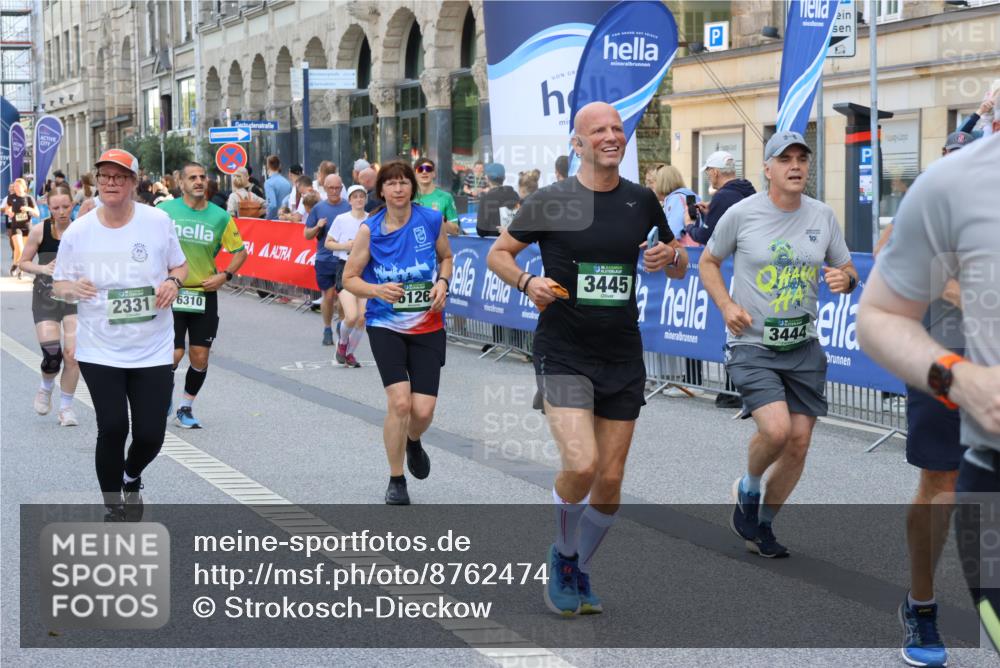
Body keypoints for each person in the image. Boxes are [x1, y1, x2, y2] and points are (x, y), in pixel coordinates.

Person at [487, 102, 688, 616]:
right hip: (564, 351)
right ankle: (562, 554)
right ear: (577, 143)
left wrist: (672, 257)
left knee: (612, 482)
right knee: (582, 463)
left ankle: (578, 562)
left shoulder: (641, 200)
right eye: (598, 130)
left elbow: (678, 260)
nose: (611, 135)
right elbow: (498, 254)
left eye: (617, 128)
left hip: (621, 352)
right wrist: (528, 281)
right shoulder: (552, 201)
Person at [858, 125, 1000, 665]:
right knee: (940, 484)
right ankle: (922, 604)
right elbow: (889, 261)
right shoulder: (946, 193)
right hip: (945, 357)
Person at [700, 131, 857, 559]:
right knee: (777, 430)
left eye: (801, 158)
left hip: (803, 345)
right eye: (784, 158)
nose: (795, 165)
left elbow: (845, 268)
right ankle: (749, 489)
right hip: (752, 343)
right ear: (767, 168)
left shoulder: (822, 216)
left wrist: (846, 280)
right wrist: (726, 304)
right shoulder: (741, 213)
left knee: (800, 442)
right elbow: (708, 262)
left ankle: (763, 525)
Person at [52, 148, 187, 522]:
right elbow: (58, 285)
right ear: (97, 182)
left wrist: (174, 281)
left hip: (154, 346)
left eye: (119, 177)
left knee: (150, 435)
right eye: (105, 177)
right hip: (100, 347)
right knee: (112, 426)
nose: (111, 183)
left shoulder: (157, 221)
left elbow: (180, 264)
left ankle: (131, 476)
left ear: (133, 182)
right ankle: (113, 505)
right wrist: (71, 288)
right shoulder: (80, 231)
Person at [342, 160, 453, 506]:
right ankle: (396, 479)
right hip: (385, 324)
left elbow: (446, 257)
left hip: (427, 324)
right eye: (392, 184)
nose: (399, 188)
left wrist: (443, 282)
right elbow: (349, 278)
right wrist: (376, 291)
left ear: (412, 188)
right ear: (382, 191)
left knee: (422, 412)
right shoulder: (369, 230)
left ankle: (413, 441)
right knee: (400, 403)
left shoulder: (431, 220)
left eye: (404, 182)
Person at [158, 161, 248, 429]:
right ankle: (163, 397)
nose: (199, 181)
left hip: (203, 294)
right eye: (192, 177)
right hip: (171, 291)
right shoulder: (164, 212)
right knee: (172, 354)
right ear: (181, 183)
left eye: (202, 177)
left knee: (200, 356)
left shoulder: (220, 216)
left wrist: (225, 275)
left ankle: (186, 406)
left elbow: (240, 251)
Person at [692, 150, 756, 408]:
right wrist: (712, 211)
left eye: (708, 171)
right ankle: (741, 389)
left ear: (716, 172)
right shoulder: (748, 192)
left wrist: (690, 224)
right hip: (749, 268)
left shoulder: (723, 197)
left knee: (735, 329)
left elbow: (707, 236)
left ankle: (734, 391)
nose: (709, 176)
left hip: (732, 270)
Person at [18, 184, 80, 426]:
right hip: (45, 297)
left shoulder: (80, 231)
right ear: (48, 208)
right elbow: (23, 262)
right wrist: (43, 268)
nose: (61, 211)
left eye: (66, 206)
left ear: (72, 205)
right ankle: (46, 386)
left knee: (72, 355)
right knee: (53, 356)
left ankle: (66, 408)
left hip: (74, 299)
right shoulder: (39, 231)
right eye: (56, 207)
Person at [325, 184, 369, 367]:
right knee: (351, 316)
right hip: (346, 268)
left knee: (363, 317)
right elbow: (328, 243)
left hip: (366, 269)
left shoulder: (371, 219)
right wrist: (346, 246)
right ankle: (342, 345)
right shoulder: (341, 219)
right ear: (349, 200)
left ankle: (349, 353)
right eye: (355, 196)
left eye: (362, 196)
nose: (359, 199)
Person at [305, 173, 350, 345]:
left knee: (343, 297)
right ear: (324, 188)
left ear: (341, 187)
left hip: (344, 259)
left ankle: (341, 325)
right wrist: (317, 226)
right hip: (324, 259)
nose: (334, 191)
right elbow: (307, 234)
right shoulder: (318, 208)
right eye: (330, 187)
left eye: (337, 187)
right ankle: (327, 328)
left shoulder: (348, 207)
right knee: (329, 296)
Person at [413, 157, 460, 236]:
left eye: (428, 169)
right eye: (420, 169)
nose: (424, 172)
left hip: (438, 246)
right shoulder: (408, 197)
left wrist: (439, 218)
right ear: (415, 174)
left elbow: (455, 230)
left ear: (433, 173)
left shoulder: (446, 197)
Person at [5, 177, 39, 277]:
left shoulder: (29, 198)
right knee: (19, 248)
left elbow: (37, 213)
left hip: (27, 227)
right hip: (16, 226)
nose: (15, 188)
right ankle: (16, 265)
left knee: (23, 251)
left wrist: (28, 209)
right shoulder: (11, 197)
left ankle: (20, 268)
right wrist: (9, 212)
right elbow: (8, 209)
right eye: (14, 186)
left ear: (23, 187)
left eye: (17, 186)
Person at [475, 162, 520, 238]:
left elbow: (481, 230)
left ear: (487, 178)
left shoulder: (486, 198)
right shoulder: (515, 195)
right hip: (514, 243)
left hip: (494, 244)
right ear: (504, 178)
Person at [264, 155, 292, 220]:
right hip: (285, 219)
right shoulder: (287, 182)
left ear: (268, 166)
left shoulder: (268, 183)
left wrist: (267, 218)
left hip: (274, 220)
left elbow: (272, 205)